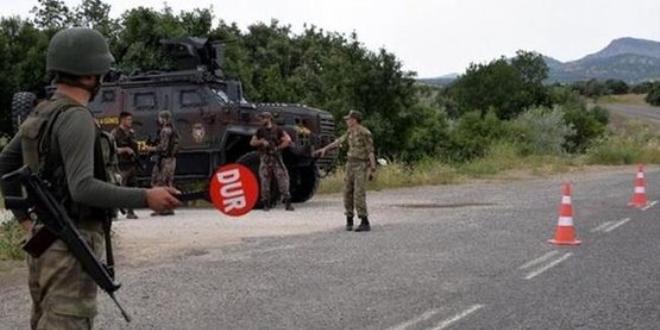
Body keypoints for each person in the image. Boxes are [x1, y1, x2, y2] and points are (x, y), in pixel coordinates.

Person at [0, 27, 182, 330]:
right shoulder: (76, 117)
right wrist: (146, 196)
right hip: (70, 244)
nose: (104, 76)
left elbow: (6, 161)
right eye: (102, 70)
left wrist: (26, 223)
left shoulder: (41, 111)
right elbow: (82, 187)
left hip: (45, 242)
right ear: (89, 75)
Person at [315, 110, 376, 232]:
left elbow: (370, 151)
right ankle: (349, 218)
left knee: (359, 193)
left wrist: (373, 168)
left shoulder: (365, 133)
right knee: (347, 191)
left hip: (360, 164)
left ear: (354, 120)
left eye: (349, 119)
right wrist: (325, 149)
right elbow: (338, 141)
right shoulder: (349, 132)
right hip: (350, 164)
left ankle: (364, 220)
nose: (347, 121)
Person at [250, 111, 295, 211]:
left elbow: (288, 140)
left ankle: (287, 201)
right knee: (265, 181)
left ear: (268, 119)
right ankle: (266, 203)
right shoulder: (260, 131)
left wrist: (278, 148)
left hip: (276, 158)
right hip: (265, 158)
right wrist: (261, 141)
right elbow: (252, 142)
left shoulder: (278, 130)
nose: (261, 120)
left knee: (283, 179)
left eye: (262, 118)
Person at [146, 110, 179, 216]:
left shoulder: (165, 131)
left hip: (164, 160)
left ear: (164, 119)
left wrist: (151, 148)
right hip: (171, 160)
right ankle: (168, 208)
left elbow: (163, 147)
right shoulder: (173, 130)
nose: (158, 120)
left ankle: (162, 208)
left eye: (160, 118)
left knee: (159, 183)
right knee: (168, 183)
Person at [110, 111, 139, 219]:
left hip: (131, 165)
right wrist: (125, 150)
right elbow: (112, 149)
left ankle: (130, 211)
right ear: (122, 120)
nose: (131, 122)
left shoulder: (131, 133)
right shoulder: (115, 133)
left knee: (133, 188)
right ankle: (114, 212)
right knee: (119, 189)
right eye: (128, 119)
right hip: (121, 166)